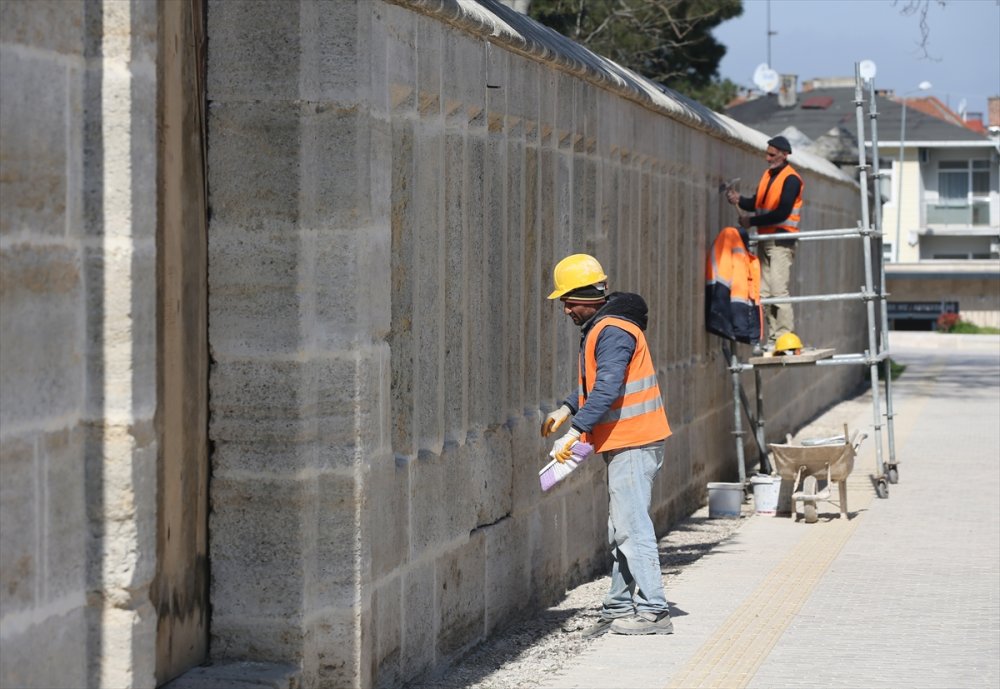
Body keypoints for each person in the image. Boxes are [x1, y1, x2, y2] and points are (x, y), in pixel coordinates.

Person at [541, 253, 673, 636]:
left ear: (587, 295)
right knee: (621, 528)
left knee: (632, 527)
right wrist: (566, 408)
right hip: (627, 441)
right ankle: (617, 606)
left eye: (568, 300)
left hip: (634, 441)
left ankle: (653, 611)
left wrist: (572, 431)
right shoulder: (606, 327)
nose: (565, 309)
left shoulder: (611, 331)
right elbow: (596, 383)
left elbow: (608, 387)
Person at [726, 135, 803, 352]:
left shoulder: (791, 179)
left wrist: (751, 221)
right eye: (766, 154)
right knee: (766, 293)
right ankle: (773, 338)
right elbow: (758, 203)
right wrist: (740, 200)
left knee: (779, 291)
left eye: (771, 154)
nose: (767, 158)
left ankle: (785, 337)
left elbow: (781, 212)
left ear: (784, 154)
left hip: (781, 240)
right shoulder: (768, 176)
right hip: (765, 239)